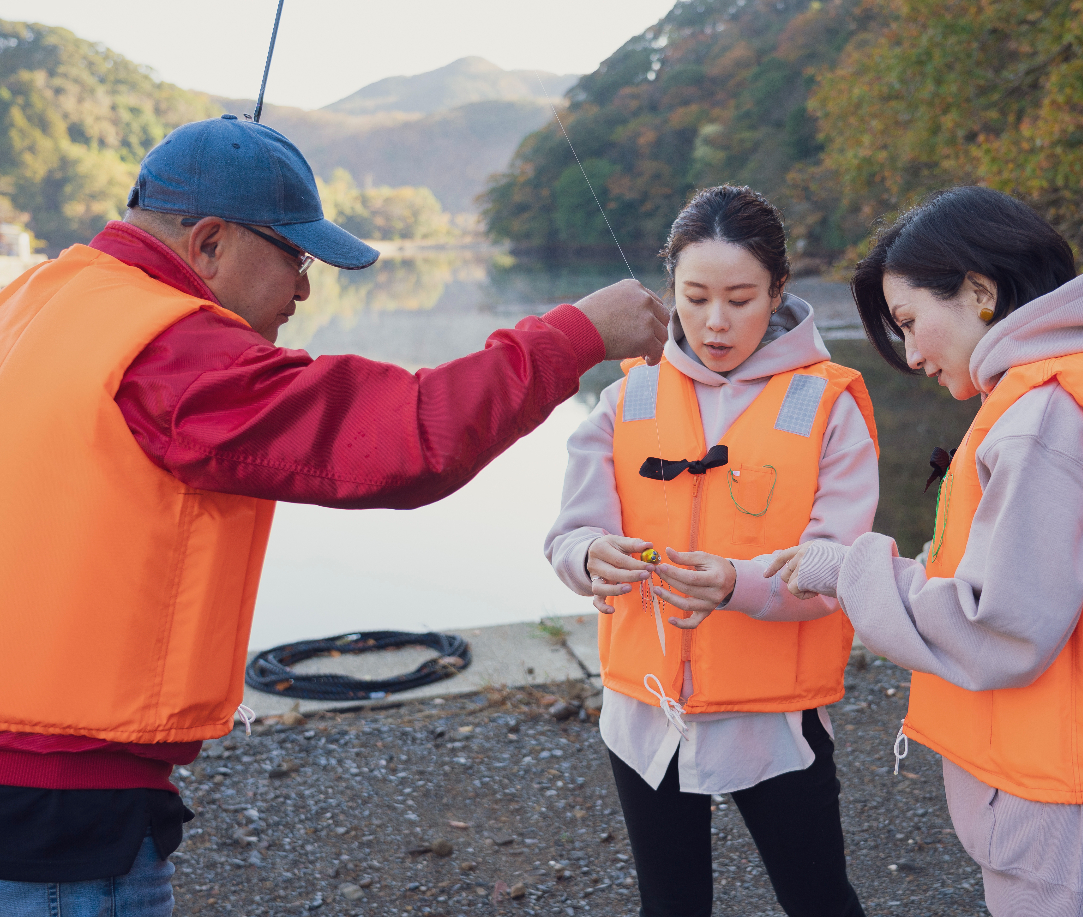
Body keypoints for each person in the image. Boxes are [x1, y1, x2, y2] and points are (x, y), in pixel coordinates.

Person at [0, 115, 668, 914]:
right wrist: (577, 335)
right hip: (62, 809)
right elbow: (407, 438)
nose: (305, 289)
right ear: (210, 242)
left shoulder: (34, 300)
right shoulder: (166, 351)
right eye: (297, 256)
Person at [768, 186, 1083, 916]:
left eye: (911, 322)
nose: (911, 355)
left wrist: (848, 570)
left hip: (1076, 825)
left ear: (980, 291)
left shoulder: (1041, 416)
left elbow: (999, 625)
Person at [546, 185, 879, 917]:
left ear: (780, 290)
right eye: (695, 298)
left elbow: (843, 566)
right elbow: (570, 533)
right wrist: (589, 555)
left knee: (819, 898)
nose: (716, 322)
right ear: (671, 290)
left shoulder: (827, 402)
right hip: (645, 710)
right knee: (669, 906)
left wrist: (740, 583)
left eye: (741, 297)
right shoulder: (626, 397)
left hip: (774, 715)